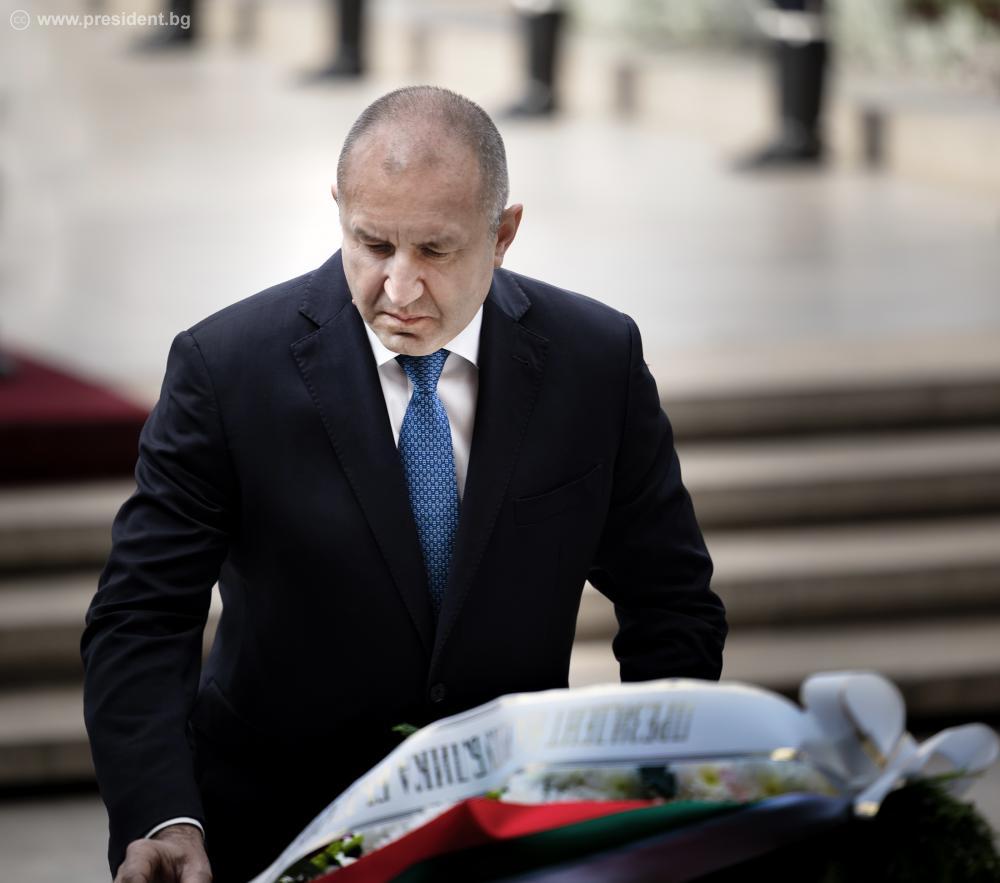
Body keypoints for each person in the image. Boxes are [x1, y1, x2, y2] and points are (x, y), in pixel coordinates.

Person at [81, 85, 726, 883]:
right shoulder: (224, 368)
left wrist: (653, 788)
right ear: (339, 211)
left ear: (503, 234)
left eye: (435, 251)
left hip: (507, 841)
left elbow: (671, 601)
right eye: (374, 243)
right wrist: (163, 814)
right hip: (274, 835)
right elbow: (142, 613)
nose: (399, 287)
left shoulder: (596, 359)